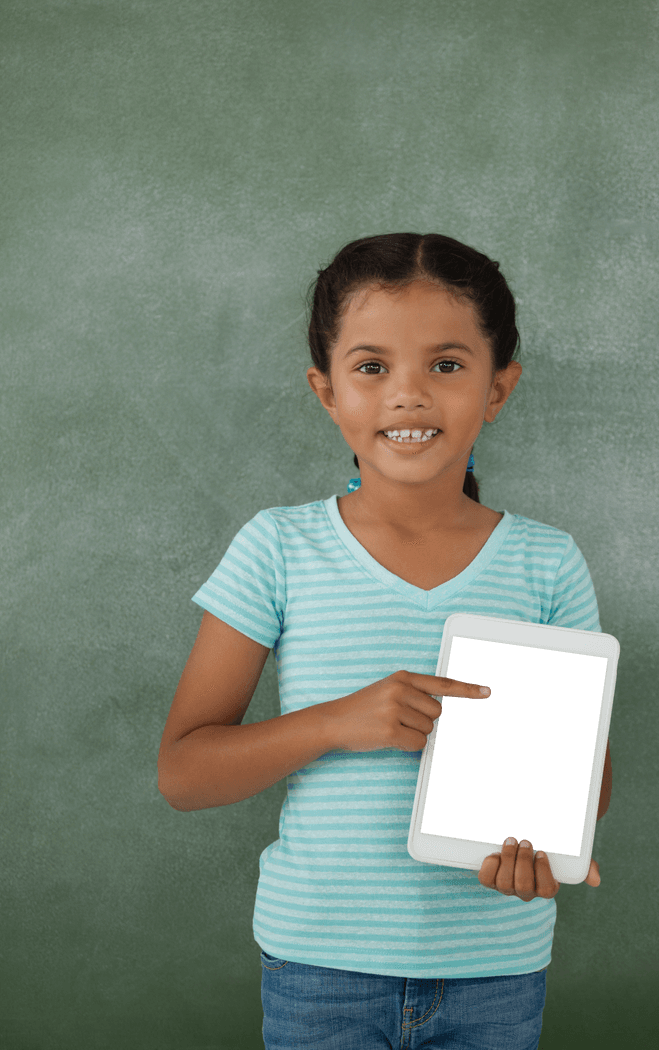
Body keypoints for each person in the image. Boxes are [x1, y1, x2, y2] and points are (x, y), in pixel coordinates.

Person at [157, 232, 612, 1050]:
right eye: (372, 367)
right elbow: (184, 772)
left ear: (498, 389)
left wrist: (545, 840)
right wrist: (339, 722)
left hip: (494, 969)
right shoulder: (278, 548)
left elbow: (588, 781)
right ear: (326, 391)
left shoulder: (547, 562)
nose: (408, 396)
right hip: (317, 967)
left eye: (446, 365)